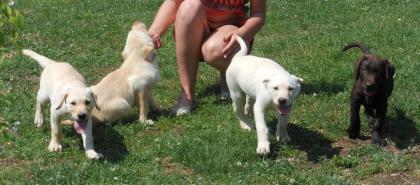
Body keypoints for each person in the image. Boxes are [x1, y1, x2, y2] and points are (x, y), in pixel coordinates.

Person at [148, 0, 266, 116]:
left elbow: (258, 13)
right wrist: (152, 34)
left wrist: (243, 32)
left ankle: (227, 74)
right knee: (189, 6)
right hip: (195, 26)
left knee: (213, 50)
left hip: (231, 31)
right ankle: (187, 95)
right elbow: (174, 2)